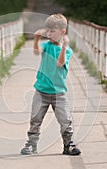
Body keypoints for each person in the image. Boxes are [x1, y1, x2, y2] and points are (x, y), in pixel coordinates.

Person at [20, 14, 81, 156]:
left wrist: (64, 46)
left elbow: (60, 64)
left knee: (65, 119)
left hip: (58, 93)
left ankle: (68, 144)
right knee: (35, 118)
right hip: (41, 91)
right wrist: (36, 39)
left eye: (52, 31)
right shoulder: (46, 45)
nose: (49, 34)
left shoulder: (67, 51)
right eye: (48, 31)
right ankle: (31, 144)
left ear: (62, 32)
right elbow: (36, 51)